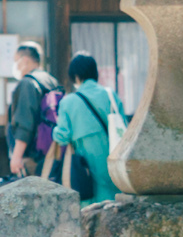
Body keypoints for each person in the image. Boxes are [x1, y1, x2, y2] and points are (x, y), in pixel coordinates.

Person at [52, 50, 128, 199]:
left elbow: (62, 137)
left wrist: (53, 130)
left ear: (75, 76)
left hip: (87, 165)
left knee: (93, 207)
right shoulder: (110, 95)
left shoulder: (68, 102)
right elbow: (125, 125)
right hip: (116, 160)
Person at [3, 41, 56, 181]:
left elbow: (25, 123)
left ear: (25, 60)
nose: (15, 66)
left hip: (33, 155)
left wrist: (16, 156)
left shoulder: (27, 83)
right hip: (52, 151)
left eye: (16, 61)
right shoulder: (50, 81)